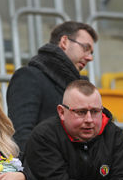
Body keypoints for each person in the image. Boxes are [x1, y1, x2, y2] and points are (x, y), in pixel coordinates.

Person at [7, 21, 98, 152]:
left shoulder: (82, 88)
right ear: (65, 42)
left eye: (91, 52)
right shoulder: (29, 76)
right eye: (85, 48)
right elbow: (21, 135)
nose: (90, 57)